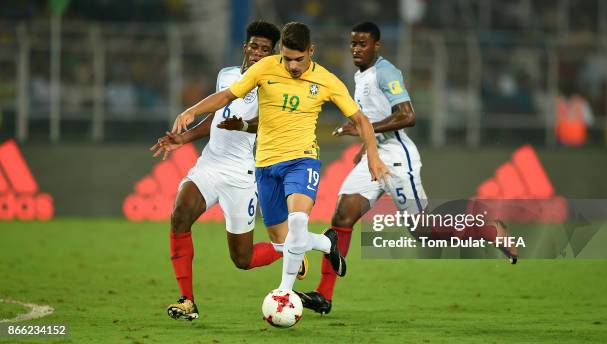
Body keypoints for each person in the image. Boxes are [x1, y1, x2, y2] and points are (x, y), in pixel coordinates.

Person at [296, 22, 517, 315]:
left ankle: (488, 230)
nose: (356, 49)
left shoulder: (386, 72)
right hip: (374, 157)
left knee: (424, 231)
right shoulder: (360, 75)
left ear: (377, 46)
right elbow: (376, 116)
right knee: (341, 218)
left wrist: (363, 129)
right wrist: (366, 145)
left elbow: (408, 116)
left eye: (363, 44)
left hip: (398, 160)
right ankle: (324, 296)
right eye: (353, 44)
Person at [171, 21, 390, 296]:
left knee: (298, 222)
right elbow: (227, 96)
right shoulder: (265, 67)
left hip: (302, 160)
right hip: (265, 166)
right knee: (281, 239)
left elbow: (360, 119)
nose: (293, 66)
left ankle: (283, 293)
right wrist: (192, 110)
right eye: (287, 59)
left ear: (311, 51)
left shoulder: (327, 80)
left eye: (299, 60)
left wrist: (373, 155)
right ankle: (325, 243)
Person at [150, 21, 300, 322]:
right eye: (254, 46)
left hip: (241, 175)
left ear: (274, 56)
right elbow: (218, 116)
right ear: (246, 47)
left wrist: (244, 125)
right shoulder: (227, 76)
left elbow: (267, 124)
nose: (258, 53)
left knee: (242, 260)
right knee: (179, 215)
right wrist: (184, 137)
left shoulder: (274, 85)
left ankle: (290, 249)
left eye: (265, 50)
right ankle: (187, 301)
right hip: (209, 164)